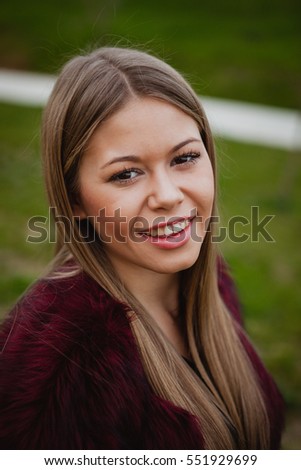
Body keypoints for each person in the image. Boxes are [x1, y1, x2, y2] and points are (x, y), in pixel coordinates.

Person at [0, 46, 284, 450]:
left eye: (184, 157)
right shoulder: (64, 360)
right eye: (127, 174)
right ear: (74, 199)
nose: (167, 195)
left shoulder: (212, 283)